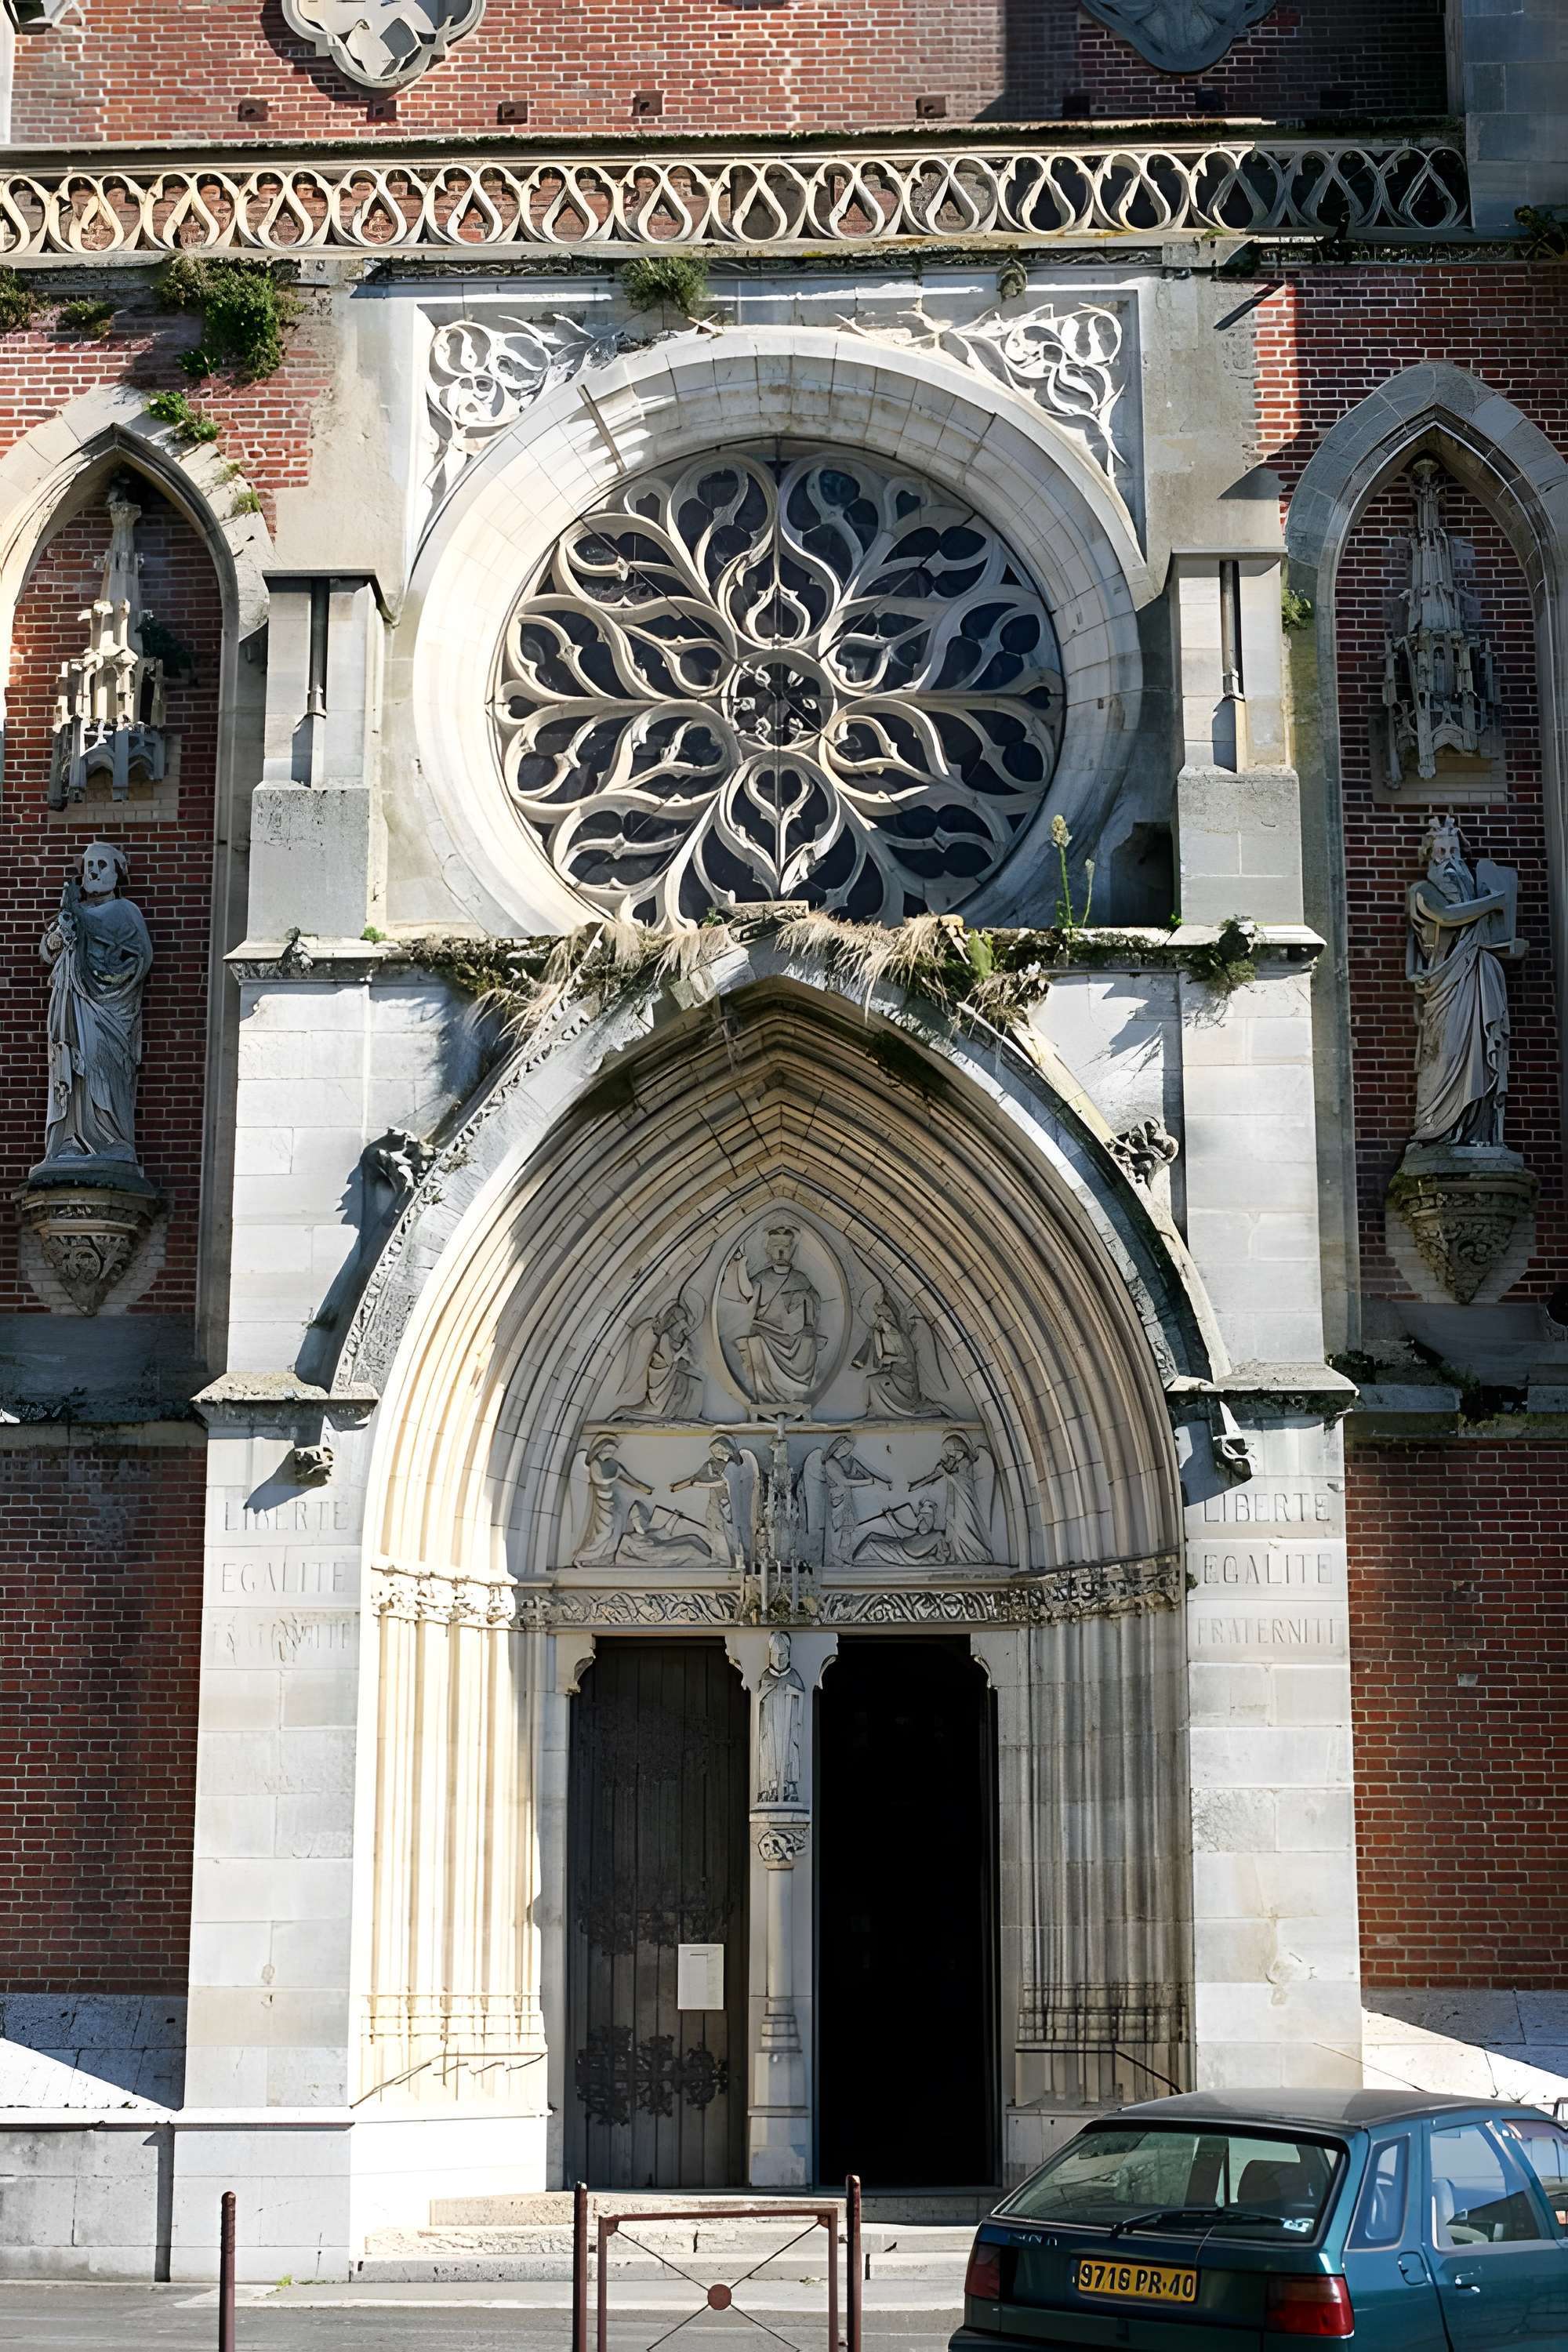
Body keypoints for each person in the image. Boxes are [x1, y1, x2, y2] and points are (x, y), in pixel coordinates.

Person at [1405, 817, 1519, 1147]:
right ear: (1430, 856)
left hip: (1478, 974)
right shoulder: (1422, 891)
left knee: (1482, 1052)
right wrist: (1493, 903)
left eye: (1454, 851)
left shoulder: (1473, 890)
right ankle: (1436, 1130)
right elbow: (1446, 917)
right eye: (1441, 852)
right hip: (1445, 985)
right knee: (1444, 1052)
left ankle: (1476, 1131)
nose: (1450, 860)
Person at [39, 840, 152, 1168]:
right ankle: (71, 1139)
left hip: (109, 1009)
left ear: (117, 873)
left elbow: (140, 959)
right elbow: (47, 951)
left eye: (102, 865)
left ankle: (111, 1140)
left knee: (103, 1065)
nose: (93, 872)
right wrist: (61, 934)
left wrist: (109, 973)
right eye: (88, 865)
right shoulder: (74, 910)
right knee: (72, 1069)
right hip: (71, 1003)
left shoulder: (125, 912)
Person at [724, 1224, 822, 1406]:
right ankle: (768, 1396)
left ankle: (795, 1392)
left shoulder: (800, 1278)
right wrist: (741, 1265)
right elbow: (748, 1294)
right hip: (766, 1330)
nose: (781, 1253)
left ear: (790, 1251)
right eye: (777, 1249)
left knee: (809, 1342)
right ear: (769, 1251)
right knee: (759, 1341)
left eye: (785, 1249)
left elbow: (816, 1302)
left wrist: (804, 1297)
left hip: (793, 1335)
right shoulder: (763, 1277)